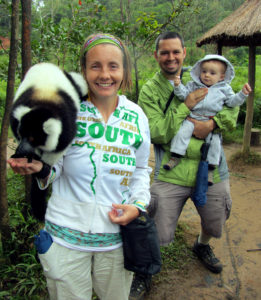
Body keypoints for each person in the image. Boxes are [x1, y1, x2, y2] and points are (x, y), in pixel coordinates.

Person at [7, 33, 152, 300]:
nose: (104, 74)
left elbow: (141, 170)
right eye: (95, 66)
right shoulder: (67, 111)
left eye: (113, 66)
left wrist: (138, 205)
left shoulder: (137, 116)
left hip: (116, 240)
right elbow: (55, 166)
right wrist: (39, 169)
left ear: (124, 71)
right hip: (66, 240)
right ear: (84, 70)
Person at [129, 31, 243, 300]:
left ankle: (201, 245)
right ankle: (145, 270)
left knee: (215, 219)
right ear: (156, 55)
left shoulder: (212, 78)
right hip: (172, 170)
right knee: (156, 223)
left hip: (211, 167)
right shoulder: (150, 90)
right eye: (164, 52)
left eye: (175, 52)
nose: (171, 57)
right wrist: (186, 107)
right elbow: (156, 132)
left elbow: (231, 113)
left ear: (184, 53)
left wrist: (212, 124)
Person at [163, 54, 251, 176]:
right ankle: (175, 157)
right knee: (181, 133)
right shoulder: (193, 85)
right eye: (204, 71)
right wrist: (178, 86)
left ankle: (211, 169)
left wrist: (242, 94)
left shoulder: (224, 89)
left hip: (210, 120)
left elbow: (232, 103)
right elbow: (183, 95)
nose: (206, 75)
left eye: (212, 73)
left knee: (215, 143)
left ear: (221, 77)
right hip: (192, 117)